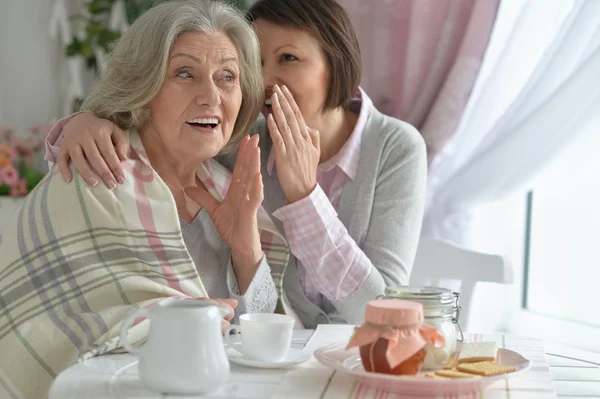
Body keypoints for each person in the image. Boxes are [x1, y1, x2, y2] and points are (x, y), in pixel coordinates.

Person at [44, 0, 427, 328]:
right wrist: (87, 120)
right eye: (256, 63)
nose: (267, 80)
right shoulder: (243, 145)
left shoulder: (395, 148)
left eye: (288, 58)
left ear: (336, 62)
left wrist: (304, 197)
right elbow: (164, 131)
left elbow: (384, 312)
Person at [0, 1, 288, 398]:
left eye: (227, 77)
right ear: (143, 88)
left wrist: (245, 248)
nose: (211, 96)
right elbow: (44, 333)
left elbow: (259, 338)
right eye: (185, 73)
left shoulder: (227, 188)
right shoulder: (93, 176)